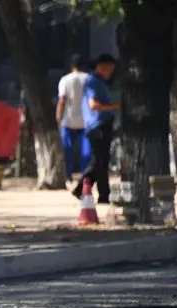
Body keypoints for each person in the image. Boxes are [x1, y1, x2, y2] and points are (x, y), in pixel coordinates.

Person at [73, 53, 120, 203]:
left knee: (99, 160)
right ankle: (102, 194)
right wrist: (115, 107)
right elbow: (93, 105)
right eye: (108, 69)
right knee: (99, 161)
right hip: (98, 126)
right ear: (101, 67)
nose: (110, 72)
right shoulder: (94, 81)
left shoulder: (100, 82)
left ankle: (83, 188)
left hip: (101, 124)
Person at [56, 54, 91, 182]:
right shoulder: (89, 79)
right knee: (86, 151)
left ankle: (68, 176)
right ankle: (85, 175)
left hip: (68, 120)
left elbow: (62, 100)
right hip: (86, 120)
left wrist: (58, 117)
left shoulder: (65, 80)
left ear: (71, 65)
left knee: (67, 150)